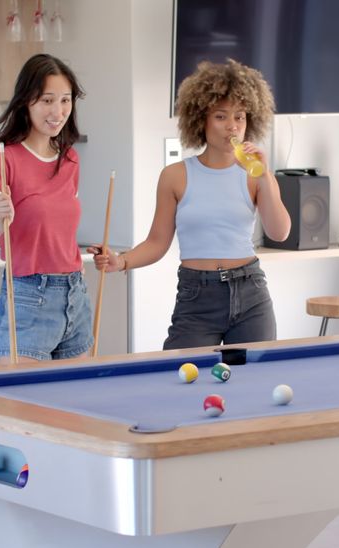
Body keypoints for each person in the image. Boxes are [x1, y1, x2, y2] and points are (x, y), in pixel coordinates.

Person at [90, 59, 291, 349]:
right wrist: (121, 261)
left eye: (240, 117)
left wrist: (265, 174)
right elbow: (157, 242)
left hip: (251, 293)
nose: (232, 127)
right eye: (221, 117)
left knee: (254, 384)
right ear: (201, 120)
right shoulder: (175, 176)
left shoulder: (255, 175)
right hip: (197, 295)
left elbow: (280, 232)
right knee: (179, 374)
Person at [0, 53, 92, 362]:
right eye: (47, 100)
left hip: (75, 293)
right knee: (22, 407)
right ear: (27, 101)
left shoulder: (70, 159)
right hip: (28, 296)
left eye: (65, 100)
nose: (58, 111)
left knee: (77, 407)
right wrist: (0, 222)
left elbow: (57, 230)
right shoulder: (2, 158)